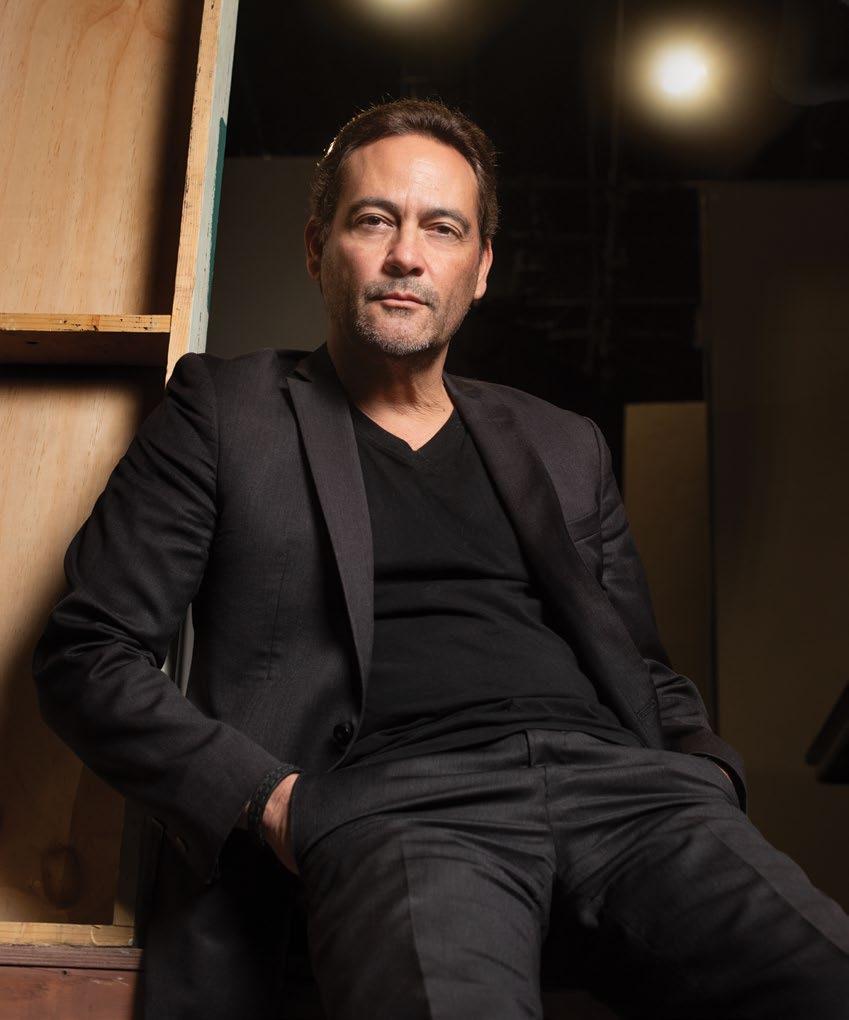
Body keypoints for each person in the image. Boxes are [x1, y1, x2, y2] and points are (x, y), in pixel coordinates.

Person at [34, 98, 849, 1020]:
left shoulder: (561, 443)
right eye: (373, 220)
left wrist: (705, 769)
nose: (406, 256)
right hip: (399, 808)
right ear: (317, 246)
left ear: (480, 266)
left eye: (442, 228)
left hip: (633, 797)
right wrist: (274, 804)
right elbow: (88, 651)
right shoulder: (227, 412)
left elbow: (641, 666)